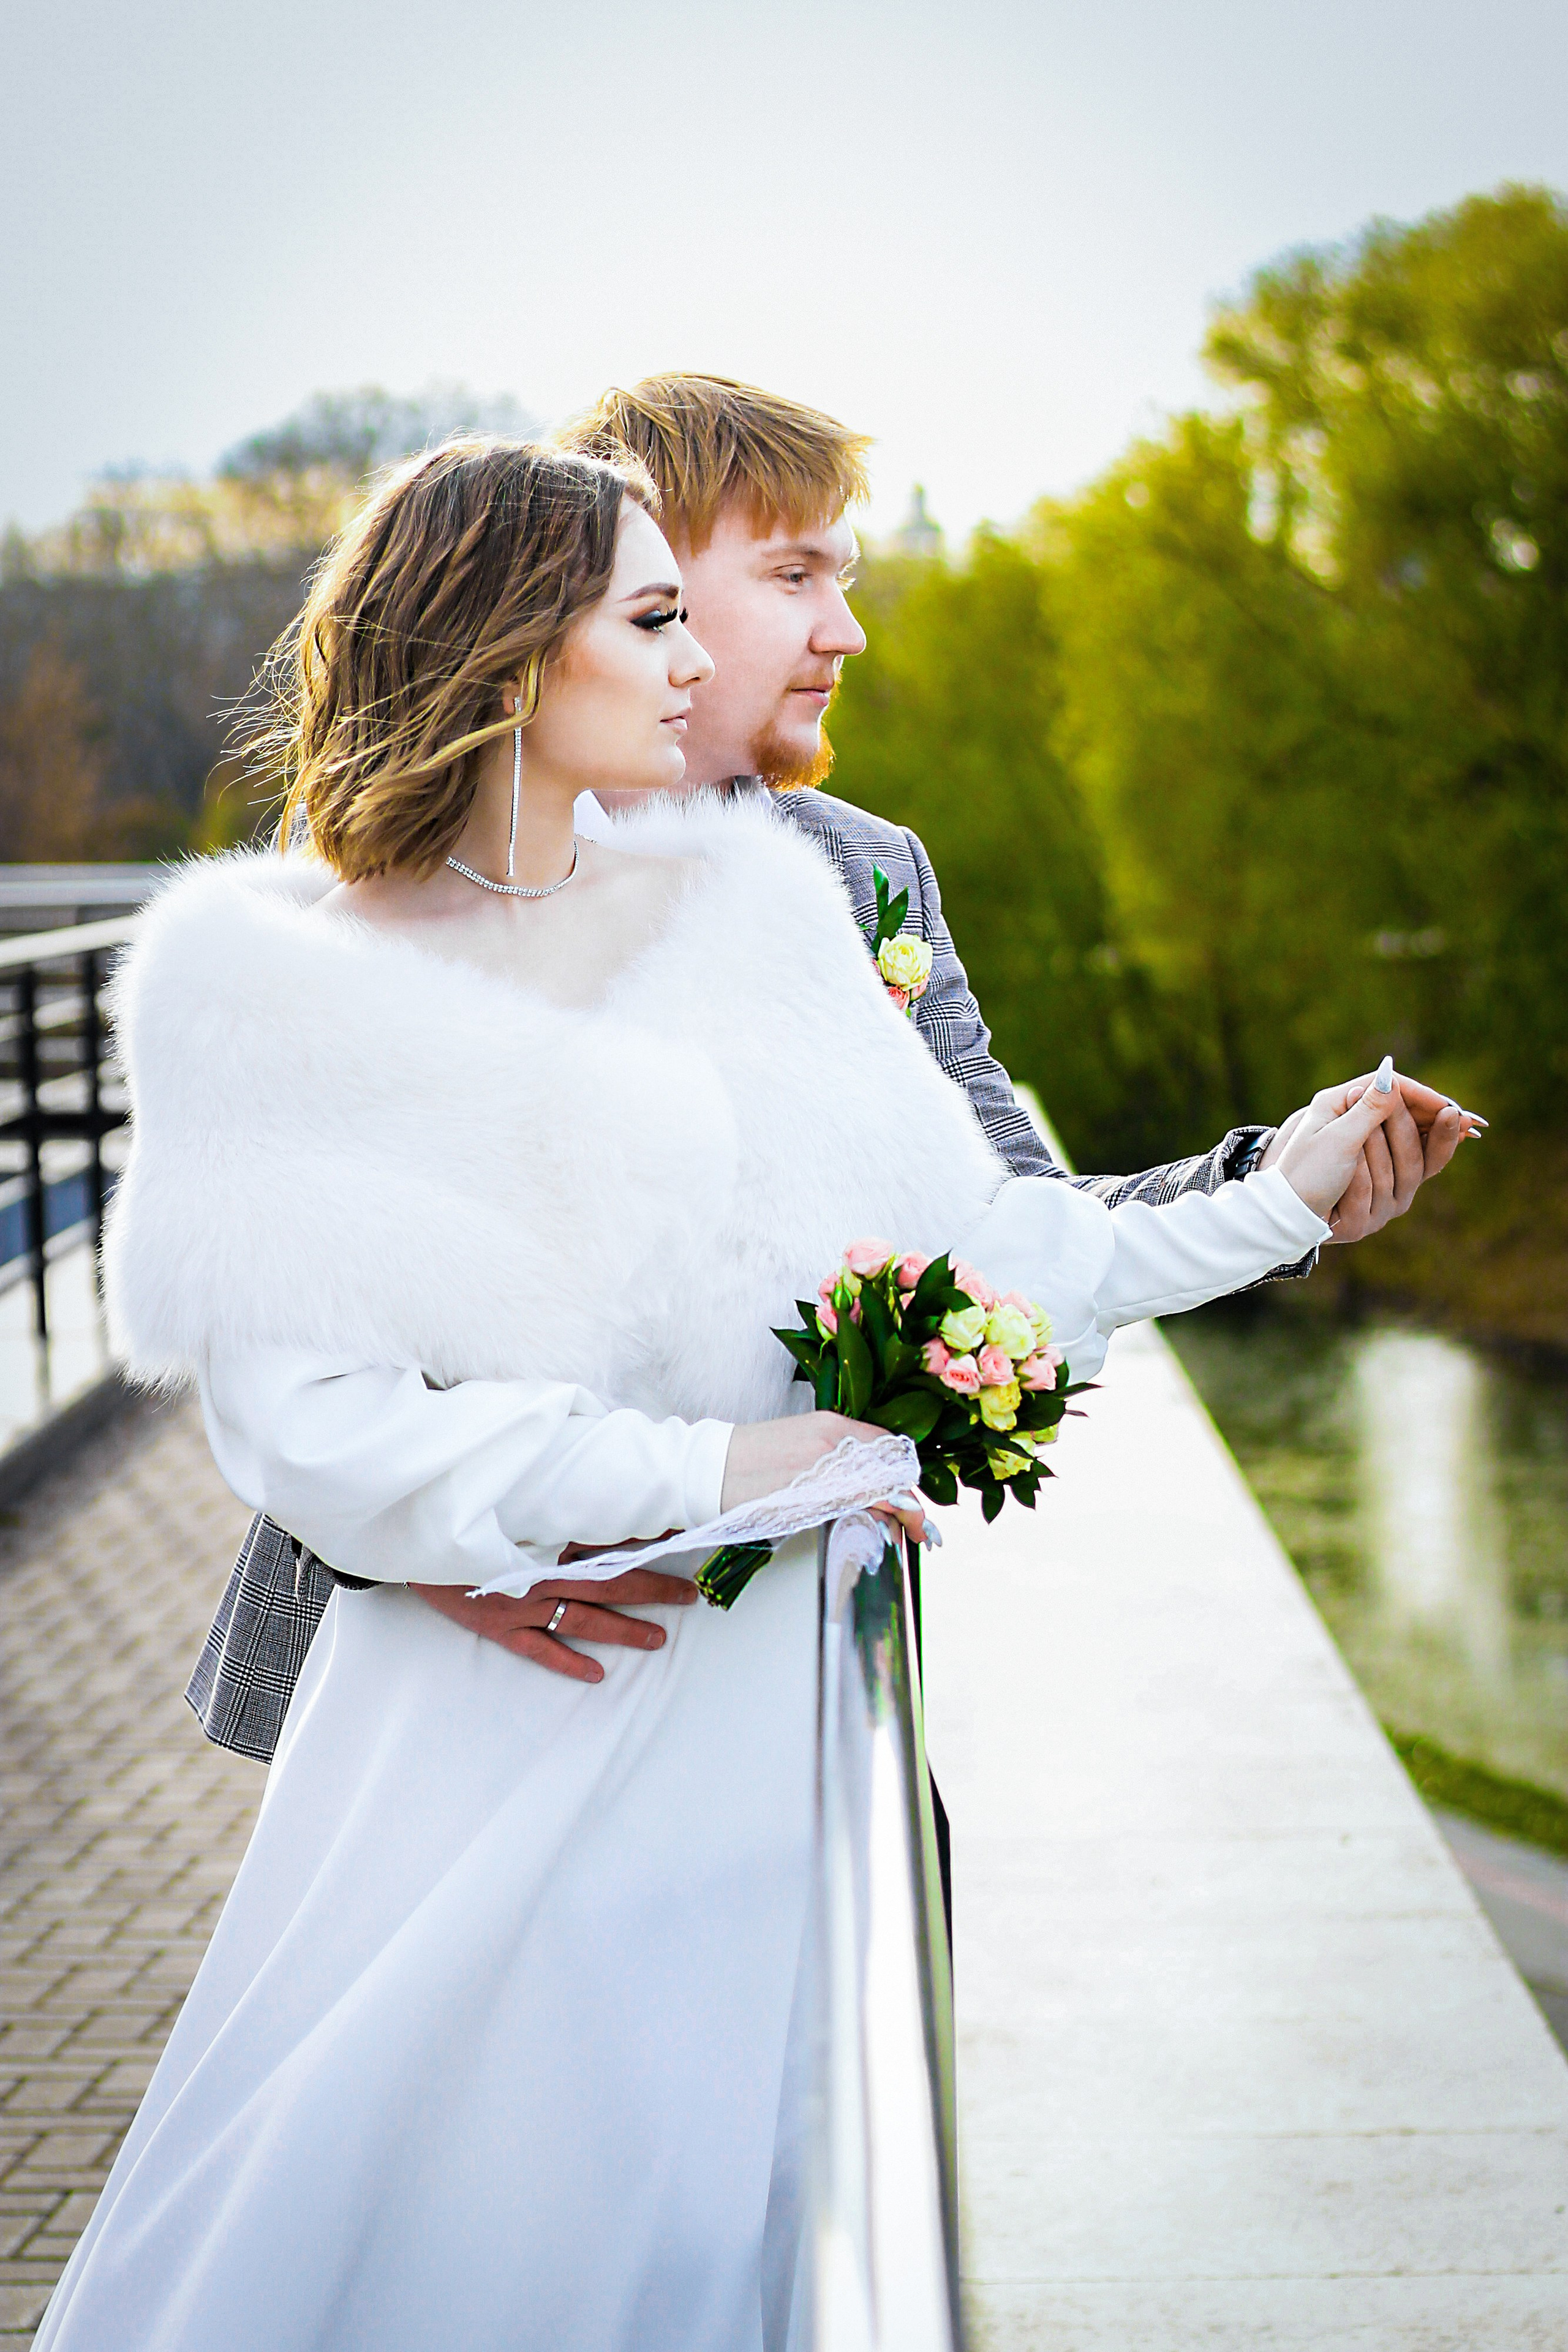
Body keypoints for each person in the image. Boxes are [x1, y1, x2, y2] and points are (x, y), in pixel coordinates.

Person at [39, 439, 1414, 2351]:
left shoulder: (755, 918)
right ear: (518, 658)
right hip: (488, 1723)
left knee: (761, 2228)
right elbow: (313, 1435)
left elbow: (981, 1256)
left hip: (768, 1723)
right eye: (654, 613)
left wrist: (1278, 1200)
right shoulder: (270, 991)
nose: (704, 664)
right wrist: (715, 1466)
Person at [190, 375, 1476, 1766]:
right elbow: (306, 1337)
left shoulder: (859, 875)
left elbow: (995, 1224)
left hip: (764, 1656)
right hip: (454, 1670)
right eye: (794, 574)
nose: (843, 630)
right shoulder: (403, 871)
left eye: (844, 578)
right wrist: (435, 1552)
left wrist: (1268, 1188)